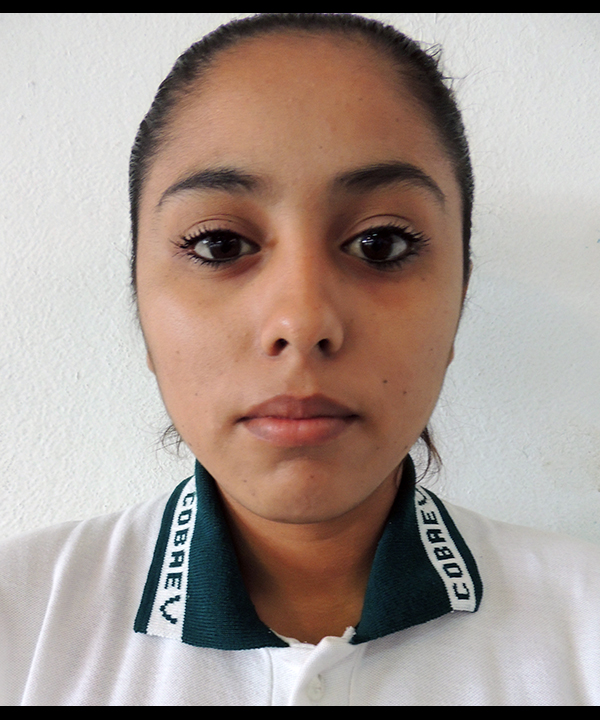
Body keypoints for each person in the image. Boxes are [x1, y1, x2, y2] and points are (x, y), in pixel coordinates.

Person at [1, 13, 599, 706]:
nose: (302, 321)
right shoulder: (21, 623)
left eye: (380, 244)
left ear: (460, 294)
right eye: (220, 245)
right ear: (139, 296)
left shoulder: (584, 623)